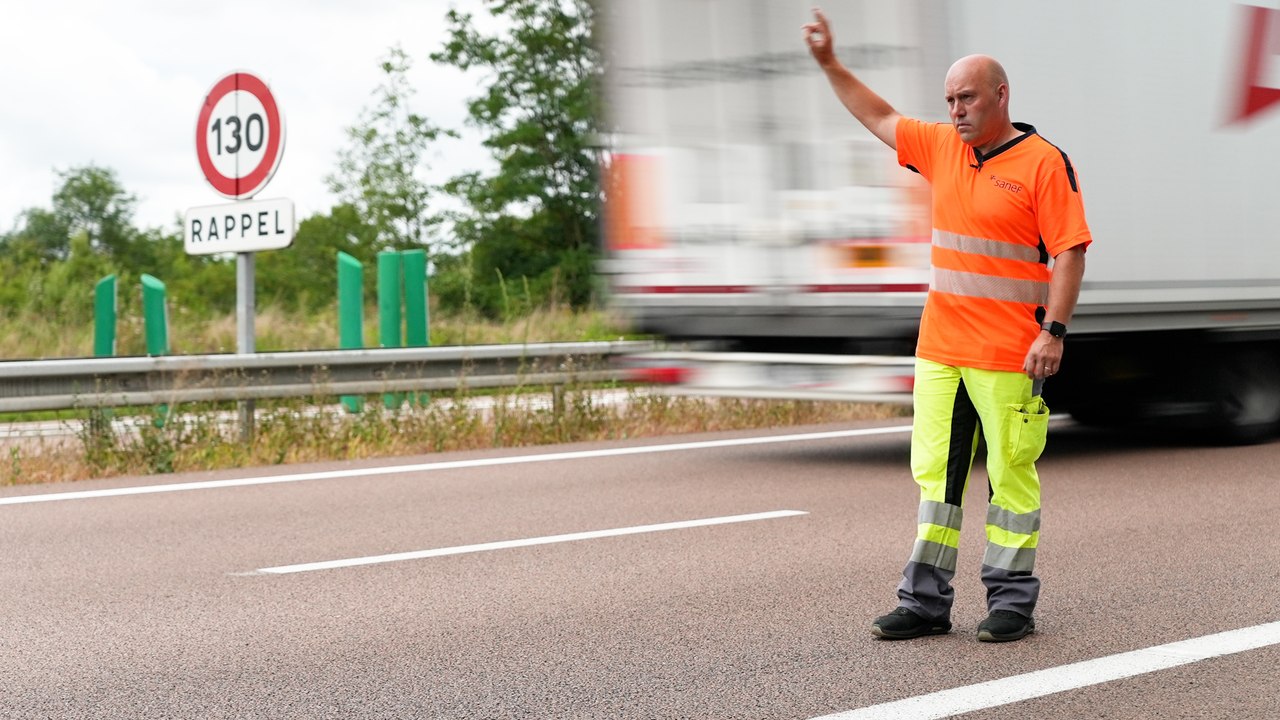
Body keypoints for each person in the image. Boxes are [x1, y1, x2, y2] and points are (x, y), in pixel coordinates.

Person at [804, 8, 1091, 642]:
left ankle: (1011, 602)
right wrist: (830, 64)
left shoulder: (1044, 162)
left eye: (966, 98)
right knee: (936, 478)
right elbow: (878, 116)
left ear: (1000, 96)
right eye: (949, 100)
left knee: (1011, 474)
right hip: (940, 350)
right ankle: (925, 603)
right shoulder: (940, 147)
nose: (955, 110)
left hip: (1009, 353)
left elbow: (1069, 249)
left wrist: (1055, 332)